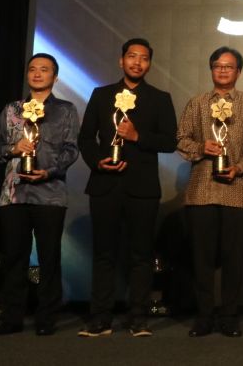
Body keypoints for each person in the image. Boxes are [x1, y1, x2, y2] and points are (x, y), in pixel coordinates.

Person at [78, 38, 177, 337]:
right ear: (121, 60)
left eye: (144, 58)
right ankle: (100, 317)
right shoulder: (101, 94)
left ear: (149, 64)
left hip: (142, 188)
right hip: (105, 185)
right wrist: (98, 162)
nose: (137, 62)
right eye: (131, 56)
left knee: (141, 255)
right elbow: (85, 138)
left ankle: (138, 317)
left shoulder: (160, 98)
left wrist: (137, 135)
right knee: (103, 253)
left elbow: (170, 142)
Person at [0, 53, 79, 336]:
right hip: (13, 195)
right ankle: (12, 317)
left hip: (50, 194)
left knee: (49, 257)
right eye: (33, 69)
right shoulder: (13, 109)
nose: (37, 74)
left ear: (55, 77)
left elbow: (71, 149)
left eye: (44, 69)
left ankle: (46, 318)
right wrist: (12, 150)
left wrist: (48, 171)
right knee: (15, 257)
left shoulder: (65, 110)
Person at [177, 46, 243, 338]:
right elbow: (181, 139)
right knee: (201, 259)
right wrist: (202, 147)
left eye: (229, 66)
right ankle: (204, 316)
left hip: (236, 192)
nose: (223, 70)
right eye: (218, 65)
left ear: (238, 71)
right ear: (211, 70)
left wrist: (239, 168)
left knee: (233, 258)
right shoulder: (197, 103)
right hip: (202, 191)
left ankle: (229, 315)